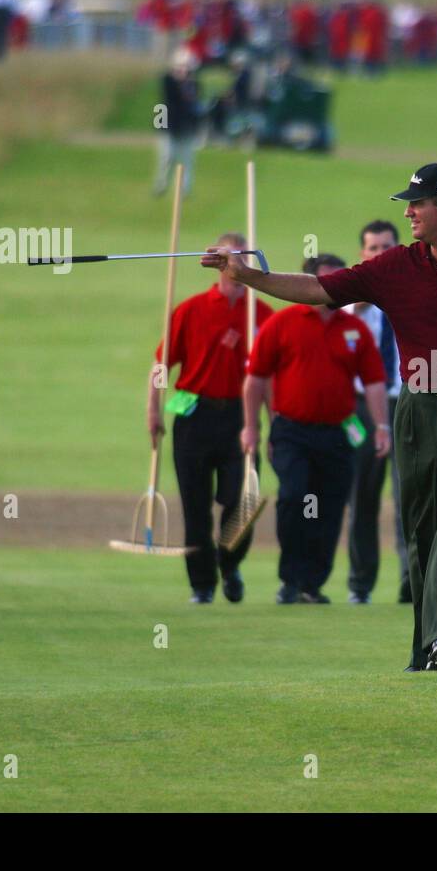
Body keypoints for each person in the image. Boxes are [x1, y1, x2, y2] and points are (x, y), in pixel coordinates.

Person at [204, 162, 437, 670]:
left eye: (418, 204)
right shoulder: (396, 266)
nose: (409, 213)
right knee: (421, 528)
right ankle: (426, 648)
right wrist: (249, 276)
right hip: (417, 411)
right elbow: (319, 289)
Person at [244, 254, 389, 605]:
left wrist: (382, 425)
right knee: (294, 497)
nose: (331, 288)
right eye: (324, 281)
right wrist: (251, 428)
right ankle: (290, 578)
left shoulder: (354, 330)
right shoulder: (282, 323)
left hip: (338, 433)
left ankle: (312, 583)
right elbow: (256, 380)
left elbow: (373, 382)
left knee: (329, 506)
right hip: (291, 430)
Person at [148, 232, 274, 604]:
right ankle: (201, 585)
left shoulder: (261, 313)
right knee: (195, 506)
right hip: (194, 415)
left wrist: (273, 421)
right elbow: (161, 364)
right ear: (216, 262)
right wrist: (153, 409)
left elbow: (270, 376)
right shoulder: (190, 309)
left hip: (240, 417)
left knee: (243, 502)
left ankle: (230, 562)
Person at [345, 220, 409, 605]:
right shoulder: (355, 300)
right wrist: (366, 296)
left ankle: (410, 579)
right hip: (362, 406)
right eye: (372, 248)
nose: (379, 254)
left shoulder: (413, 292)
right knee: (362, 497)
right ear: (362, 254)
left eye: (387, 247)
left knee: (410, 496)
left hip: (406, 402)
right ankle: (360, 584)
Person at [153, 46, 202, 198]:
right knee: (167, 158)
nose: (184, 70)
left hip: (186, 128)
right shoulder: (168, 82)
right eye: (181, 67)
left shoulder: (193, 85)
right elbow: (164, 103)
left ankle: (185, 189)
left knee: (187, 160)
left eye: (187, 67)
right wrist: (160, 127)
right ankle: (161, 185)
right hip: (170, 127)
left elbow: (194, 106)